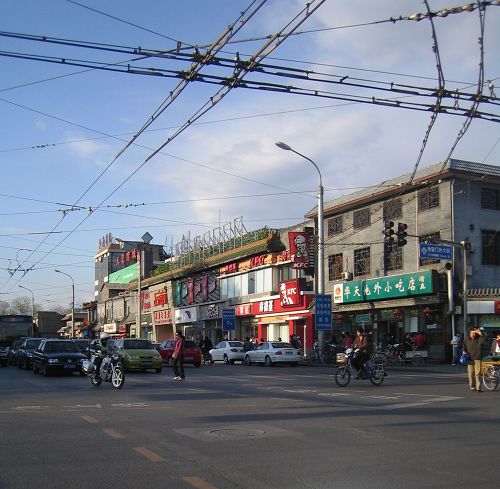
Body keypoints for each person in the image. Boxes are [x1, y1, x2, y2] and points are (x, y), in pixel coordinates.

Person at [462, 326, 485, 392]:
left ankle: (478, 388)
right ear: (470, 333)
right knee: (471, 374)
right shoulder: (467, 339)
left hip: (478, 358)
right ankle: (472, 387)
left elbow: (483, 341)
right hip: (470, 359)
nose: (473, 334)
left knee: (477, 374)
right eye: (472, 333)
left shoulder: (479, 338)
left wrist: (480, 333)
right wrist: (464, 351)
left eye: (475, 333)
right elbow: (463, 346)